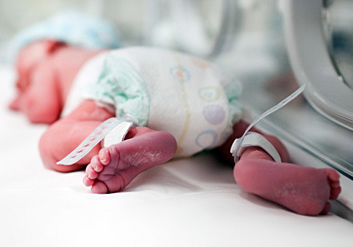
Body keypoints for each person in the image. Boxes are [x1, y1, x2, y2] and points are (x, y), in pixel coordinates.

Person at [10, 37, 341, 216]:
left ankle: (132, 135)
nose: (23, 85)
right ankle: (258, 160)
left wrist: (24, 97)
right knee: (236, 130)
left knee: (51, 144)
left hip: (127, 79)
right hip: (199, 78)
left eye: (24, 76)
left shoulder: (53, 58)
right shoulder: (122, 47)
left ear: (48, 45)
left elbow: (41, 109)